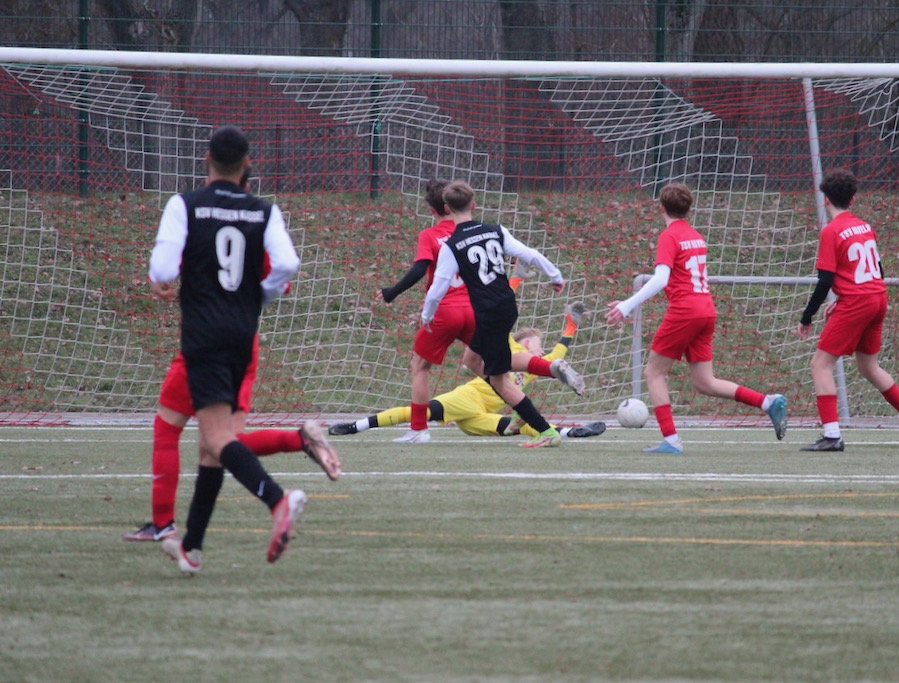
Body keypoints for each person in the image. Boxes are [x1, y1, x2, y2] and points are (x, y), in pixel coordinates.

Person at [125, 170, 340, 544]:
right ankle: (299, 441)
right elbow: (282, 278)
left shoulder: (194, 211)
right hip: (243, 340)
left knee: (180, 431)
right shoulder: (257, 219)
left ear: (209, 167)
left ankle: (165, 525)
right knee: (223, 442)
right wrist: (249, 297)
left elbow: (167, 268)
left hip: (204, 342)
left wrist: (172, 283)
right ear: (247, 180)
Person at [148, 125, 304, 573]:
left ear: (206, 160)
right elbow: (288, 263)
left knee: (217, 438)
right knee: (209, 446)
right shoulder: (264, 210)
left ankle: (277, 500)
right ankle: (192, 547)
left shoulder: (185, 205)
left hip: (204, 334)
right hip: (243, 333)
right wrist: (260, 295)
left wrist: (160, 278)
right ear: (247, 164)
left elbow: (163, 267)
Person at [379, 178, 583, 445]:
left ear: (447, 208)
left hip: (485, 314)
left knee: (499, 381)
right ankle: (546, 374)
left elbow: (438, 286)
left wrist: (427, 316)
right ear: (473, 204)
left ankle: (544, 430)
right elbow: (530, 254)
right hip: (506, 307)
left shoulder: (452, 245)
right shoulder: (496, 230)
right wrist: (555, 276)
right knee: (474, 359)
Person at [605, 182, 788, 454]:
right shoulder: (696, 236)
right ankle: (767, 402)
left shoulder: (669, 236)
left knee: (654, 373)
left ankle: (671, 440)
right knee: (705, 382)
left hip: (685, 311)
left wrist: (627, 305)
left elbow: (662, 278)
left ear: (661, 208)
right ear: (689, 209)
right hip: (706, 309)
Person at [797, 169, 899, 452]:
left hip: (858, 302)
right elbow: (877, 270)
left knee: (820, 365)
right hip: (876, 297)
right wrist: (843, 298)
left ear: (825, 200)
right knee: (868, 366)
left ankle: (832, 436)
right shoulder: (864, 226)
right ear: (853, 199)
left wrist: (807, 316)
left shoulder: (831, 230)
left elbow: (825, 280)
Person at [329, 306, 605, 440]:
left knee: (518, 425)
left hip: (480, 417)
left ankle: (571, 432)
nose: (540, 348)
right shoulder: (508, 346)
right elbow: (500, 316)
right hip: (468, 398)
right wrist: (516, 277)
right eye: (536, 343)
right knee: (419, 411)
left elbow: (557, 356)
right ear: (522, 342)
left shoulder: (533, 367)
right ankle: (356, 426)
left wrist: (571, 324)